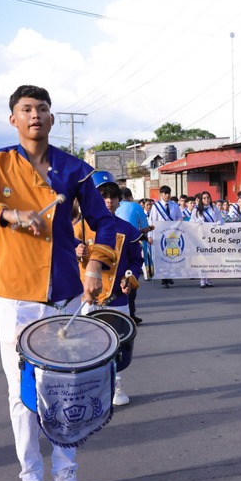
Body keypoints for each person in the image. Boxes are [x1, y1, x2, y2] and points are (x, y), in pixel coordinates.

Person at [0, 84, 117, 481]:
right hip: (17, 297)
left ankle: (67, 472)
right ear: (13, 119)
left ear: (52, 119)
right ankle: (31, 480)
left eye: (42, 108)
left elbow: (104, 222)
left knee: (67, 387)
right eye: (26, 109)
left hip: (65, 295)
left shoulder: (75, 170)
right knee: (22, 394)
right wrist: (5, 214)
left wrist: (96, 265)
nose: (35, 114)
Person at [75, 170, 143, 405]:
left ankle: (116, 385)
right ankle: (90, 389)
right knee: (87, 346)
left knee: (117, 344)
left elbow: (136, 262)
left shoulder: (127, 229)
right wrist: (75, 251)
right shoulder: (78, 228)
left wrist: (129, 280)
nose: (108, 200)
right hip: (87, 298)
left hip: (117, 298)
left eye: (113, 195)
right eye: (103, 195)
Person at [115, 186, 151, 324]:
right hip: (131, 243)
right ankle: (131, 313)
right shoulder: (136, 207)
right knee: (130, 278)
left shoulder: (113, 208)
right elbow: (145, 227)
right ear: (130, 197)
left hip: (112, 245)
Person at [149, 185, 182, 287]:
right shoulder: (156, 207)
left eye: (169, 193)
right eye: (165, 193)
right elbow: (152, 221)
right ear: (161, 194)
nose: (167, 195)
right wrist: (150, 235)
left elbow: (179, 218)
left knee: (171, 255)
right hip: (160, 235)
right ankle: (164, 277)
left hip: (172, 235)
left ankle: (169, 275)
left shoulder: (174, 206)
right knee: (162, 255)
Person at [191, 191, 225, 288]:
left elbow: (221, 219)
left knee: (211, 258)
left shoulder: (214, 208)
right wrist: (197, 222)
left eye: (208, 198)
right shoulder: (196, 210)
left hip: (213, 236)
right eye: (204, 198)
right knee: (202, 258)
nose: (206, 200)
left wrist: (219, 222)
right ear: (201, 199)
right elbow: (191, 221)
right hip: (201, 236)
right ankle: (202, 279)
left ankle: (208, 279)